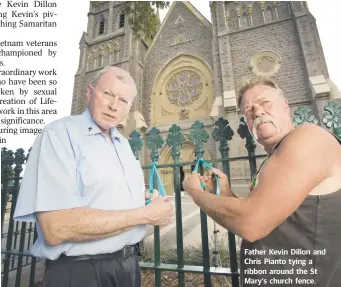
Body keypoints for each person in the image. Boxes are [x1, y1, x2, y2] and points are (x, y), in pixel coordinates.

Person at [14, 66, 173, 287]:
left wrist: (145, 198)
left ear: (129, 107)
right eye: (107, 94)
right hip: (80, 272)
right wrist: (146, 214)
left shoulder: (125, 146)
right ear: (90, 92)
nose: (113, 106)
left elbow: (103, 193)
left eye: (124, 100)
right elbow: (56, 227)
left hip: (129, 268)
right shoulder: (60, 134)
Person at [183, 77, 341, 287]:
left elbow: (251, 223)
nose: (257, 111)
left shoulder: (308, 138)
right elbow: (270, 221)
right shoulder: (277, 156)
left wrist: (194, 191)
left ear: (285, 106)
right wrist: (226, 193)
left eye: (265, 103)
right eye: (248, 110)